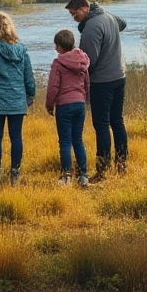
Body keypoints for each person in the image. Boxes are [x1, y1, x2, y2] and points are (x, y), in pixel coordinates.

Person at [65, 0, 128, 180]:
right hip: (119, 76)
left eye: (74, 13)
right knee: (117, 122)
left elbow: (88, 61)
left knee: (101, 125)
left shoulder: (92, 27)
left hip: (102, 81)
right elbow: (122, 23)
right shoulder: (107, 16)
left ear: (85, 8)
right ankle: (121, 165)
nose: (73, 17)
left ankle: (102, 171)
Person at [0, 12, 35, 186]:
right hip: (17, 100)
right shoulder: (22, 48)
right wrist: (31, 93)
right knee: (16, 136)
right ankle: (15, 176)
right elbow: (29, 75)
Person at [46, 29, 90, 187]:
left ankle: (66, 176)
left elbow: (53, 87)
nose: (54, 48)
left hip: (64, 105)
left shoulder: (58, 63)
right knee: (78, 139)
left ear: (59, 46)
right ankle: (83, 175)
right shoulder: (83, 60)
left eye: (55, 45)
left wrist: (49, 105)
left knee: (65, 141)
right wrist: (85, 99)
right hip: (79, 104)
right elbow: (87, 83)